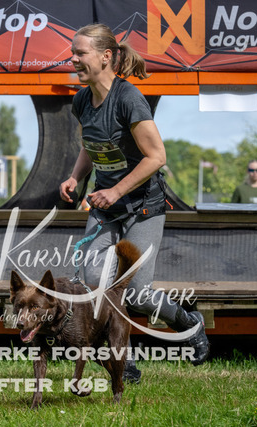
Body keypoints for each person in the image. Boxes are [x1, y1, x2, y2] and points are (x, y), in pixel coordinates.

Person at [59, 23, 209, 381]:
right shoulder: (82, 100)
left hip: (142, 207)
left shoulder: (128, 99)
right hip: (105, 207)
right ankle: (121, 361)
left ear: (106, 56)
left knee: (139, 294)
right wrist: (75, 177)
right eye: (72, 52)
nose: (73, 59)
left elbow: (157, 157)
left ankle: (190, 324)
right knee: (94, 286)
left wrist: (116, 190)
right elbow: (90, 145)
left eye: (80, 53)